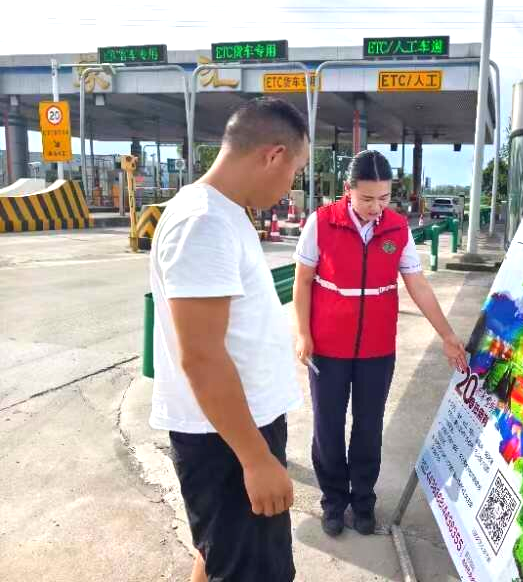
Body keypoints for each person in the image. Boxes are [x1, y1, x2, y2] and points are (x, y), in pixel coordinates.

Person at [149, 97, 309, 582]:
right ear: (273, 155)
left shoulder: (224, 212)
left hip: (238, 428)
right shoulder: (204, 222)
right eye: (296, 172)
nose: (290, 187)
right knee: (250, 571)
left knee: (218, 554)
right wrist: (255, 459)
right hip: (227, 440)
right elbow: (201, 356)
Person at [293, 149, 468, 537]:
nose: (376, 207)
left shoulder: (397, 229)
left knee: (369, 427)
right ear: (348, 190)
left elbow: (417, 285)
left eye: (384, 198)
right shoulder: (321, 223)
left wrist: (446, 334)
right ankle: (333, 502)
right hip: (328, 348)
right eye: (367, 198)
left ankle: (363, 501)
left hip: (376, 350)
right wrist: (303, 333)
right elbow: (302, 281)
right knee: (327, 426)